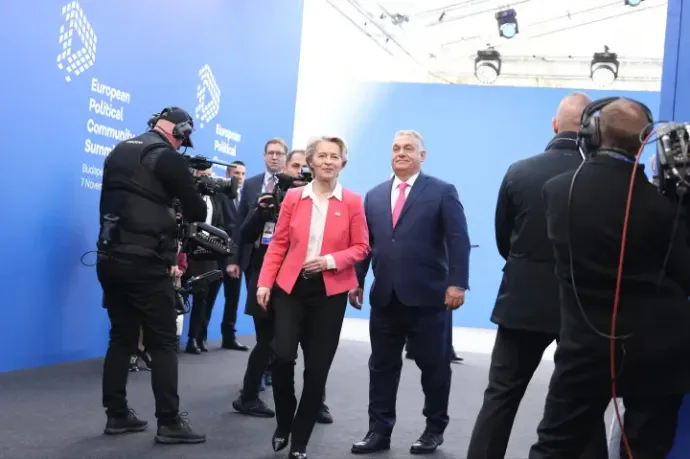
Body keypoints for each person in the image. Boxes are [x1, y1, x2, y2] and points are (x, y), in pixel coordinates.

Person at [529, 98, 690, 458]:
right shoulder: (665, 207)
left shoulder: (557, 191)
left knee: (555, 445)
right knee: (645, 449)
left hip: (584, 349)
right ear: (644, 141)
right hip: (659, 352)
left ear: (590, 135)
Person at [466, 92, 607, 459]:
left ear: (555, 124)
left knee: (501, 396)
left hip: (522, 303)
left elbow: (504, 239)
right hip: (582, 307)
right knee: (584, 402)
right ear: (594, 128)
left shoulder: (519, 170)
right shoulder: (602, 179)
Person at [350, 130, 471, 455]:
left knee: (434, 369)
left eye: (408, 148)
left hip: (430, 300)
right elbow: (367, 244)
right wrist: (357, 280)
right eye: (396, 148)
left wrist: (457, 283)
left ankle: (434, 429)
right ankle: (379, 432)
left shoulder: (442, 191)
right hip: (385, 298)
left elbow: (458, 239)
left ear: (422, 155)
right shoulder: (373, 196)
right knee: (381, 367)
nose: (401, 153)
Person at [97, 106, 206, 443]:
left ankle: (116, 415)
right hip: (146, 263)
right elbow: (198, 211)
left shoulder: (119, 150)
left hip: (109, 258)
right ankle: (170, 422)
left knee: (121, 337)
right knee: (162, 343)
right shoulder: (167, 158)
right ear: (180, 132)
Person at [256, 136, 370, 459]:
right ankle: (284, 420)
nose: (328, 161)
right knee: (281, 356)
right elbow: (278, 244)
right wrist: (265, 282)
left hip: (329, 293)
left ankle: (301, 440)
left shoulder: (352, 201)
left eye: (334, 156)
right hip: (290, 288)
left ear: (342, 163)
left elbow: (362, 247)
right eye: (322, 155)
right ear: (311, 161)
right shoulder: (294, 197)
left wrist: (330, 261)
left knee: (317, 371)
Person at [232, 149, 336, 424]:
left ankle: (317, 403)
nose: (300, 173)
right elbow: (244, 235)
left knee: (314, 346)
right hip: (268, 280)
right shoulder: (270, 199)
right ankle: (248, 396)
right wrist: (262, 211)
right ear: (284, 170)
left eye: (305, 168)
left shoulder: (322, 203)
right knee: (267, 342)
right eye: (295, 167)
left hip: (307, 285)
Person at [184, 168, 233, 354]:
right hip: (187, 251)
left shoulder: (217, 198)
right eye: (201, 172)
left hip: (208, 252)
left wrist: (212, 240)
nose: (205, 176)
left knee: (202, 298)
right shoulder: (187, 194)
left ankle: (194, 339)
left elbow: (221, 223)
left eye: (208, 172)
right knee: (179, 296)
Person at [219, 160, 250, 351]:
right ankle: (197, 337)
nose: (239, 177)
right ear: (228, 174)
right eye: (236, 173)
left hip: (237, 255)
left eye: (243, 174)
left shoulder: (245, 197)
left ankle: (228, 337)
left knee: (233, 298)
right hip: (217, 252)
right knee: (208, 296)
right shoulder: (219, 194)